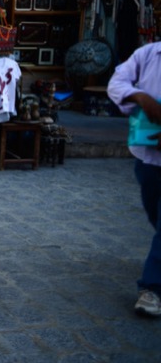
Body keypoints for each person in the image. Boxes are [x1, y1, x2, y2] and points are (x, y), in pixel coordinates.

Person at [107, 41, 161, 318]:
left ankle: (152, 288)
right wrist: (139, 97)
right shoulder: (148, 54)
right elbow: (117, 83)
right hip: (149, 156)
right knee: (155, 215)